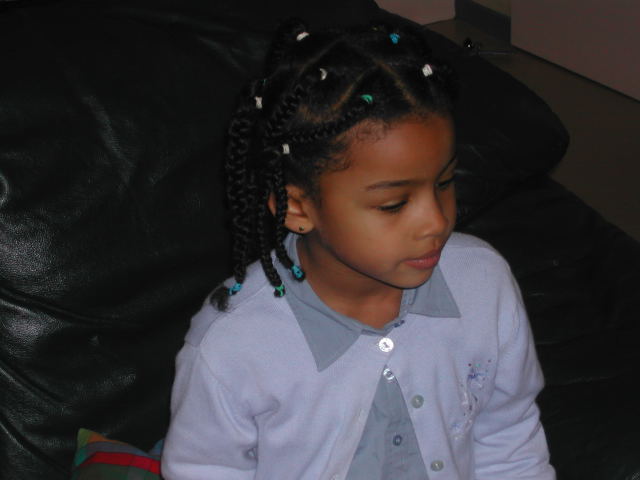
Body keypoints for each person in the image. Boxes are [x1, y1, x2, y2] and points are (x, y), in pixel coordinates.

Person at [161, 19, 555, 480]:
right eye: (393, 204)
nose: (437, 221)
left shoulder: (484, 283)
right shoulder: (233, 345)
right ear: (297, 206)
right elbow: (204, 469)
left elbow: (508, 435)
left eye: (445, 182)